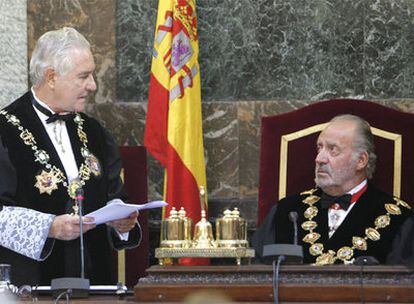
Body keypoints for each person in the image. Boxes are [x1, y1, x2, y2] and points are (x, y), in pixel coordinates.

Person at [0, 27, 141, 286]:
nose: (93, 85)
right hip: (29, 288)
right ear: (51, 77)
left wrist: (121, 222)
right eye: (83, 76)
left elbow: (115, 197)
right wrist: (49, 227)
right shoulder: (4, 131)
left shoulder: (94, 131)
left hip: (96, 285)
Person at [252, 114, 414, 266]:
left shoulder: (397, 218)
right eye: (319, 148)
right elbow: (256, 277)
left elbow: (402, 289)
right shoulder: (287, 210)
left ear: (361, 160)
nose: (319, 159)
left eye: (332, 149)